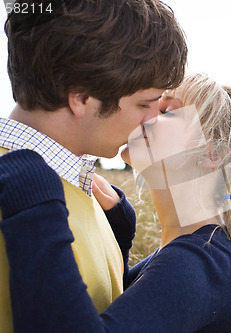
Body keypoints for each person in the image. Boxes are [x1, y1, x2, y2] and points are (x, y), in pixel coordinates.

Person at [0, 73, 231, 332]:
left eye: (166, 111)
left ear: (212, 155)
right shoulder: (199, 253)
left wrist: (34, 199)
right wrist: (119, 234)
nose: (147, 114)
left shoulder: (201, 263)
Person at [0, 1, 187, 331]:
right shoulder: (21, 200)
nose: (154, 119)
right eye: (145, 103)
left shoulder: (87, 192)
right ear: (81, 97)